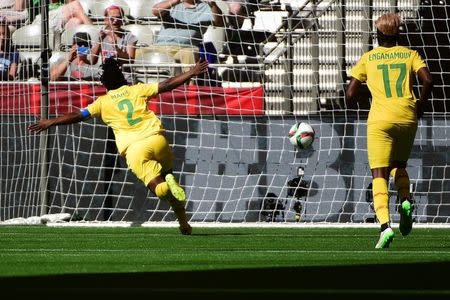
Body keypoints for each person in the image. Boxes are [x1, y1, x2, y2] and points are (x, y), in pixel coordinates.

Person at [28, 57, 209, 235]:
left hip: (135, 149)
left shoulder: (102, 102)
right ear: (122, 78)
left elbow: (78, 115)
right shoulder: (137, 90)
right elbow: (166, 84)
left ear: (105, 82)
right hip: (157, 138)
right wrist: (191, 72)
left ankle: (166, 187)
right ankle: (184, 224)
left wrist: (51, 122)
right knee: (167, 175)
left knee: (160, 190)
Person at [346, 13, 433, 249]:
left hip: (380, 119)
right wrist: (420, 106)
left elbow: (350, 94)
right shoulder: (410, 54)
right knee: (399, 166)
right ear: (399, 34)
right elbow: (428, 80)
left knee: (379, 174)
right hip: (407, 115)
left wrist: (370, 98)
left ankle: (385, 226)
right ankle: (405, 199)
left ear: (377, 34)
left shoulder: (369, 58)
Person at [150, 0, 224, 67]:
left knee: (188, 54)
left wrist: (213, 5)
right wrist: (175, 1)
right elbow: (155, 11)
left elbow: (220, 23)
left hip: (186, 48)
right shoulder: (172, 4)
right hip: (161, 46)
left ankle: (191, 82)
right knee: (140, 52)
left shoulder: (206, 7)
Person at [90, 5, 137, 83]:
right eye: (112, 18)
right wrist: (99, 41)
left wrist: (115, 47)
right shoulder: (100, 35)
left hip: (125, 79)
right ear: (106, 20)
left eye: (118, 18)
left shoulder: (129, 36)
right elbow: (92, 61)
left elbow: (130, 60)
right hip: (106, 78)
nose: (115, 21)